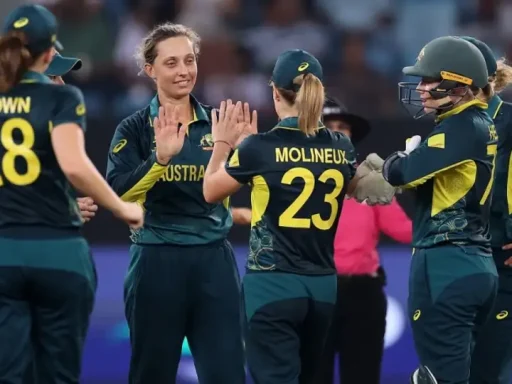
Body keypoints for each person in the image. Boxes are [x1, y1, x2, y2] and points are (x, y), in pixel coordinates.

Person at [201, 49, 396, 384]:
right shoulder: (341, 146)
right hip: (321, 288)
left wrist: (223, 143)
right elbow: (354, 185)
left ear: (275, 93)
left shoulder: (258, 148)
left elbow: (210, 192)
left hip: (272, 285)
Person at [0, 4, 143, 383]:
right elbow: (74, 165)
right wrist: (122, 207)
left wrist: (60, 201)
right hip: (57, 253)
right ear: (46, 55)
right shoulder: (61, 101)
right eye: (56, 71)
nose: (62, 82)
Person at [105, 23, 249, 384]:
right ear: (150, 70)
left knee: (227, 374)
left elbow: (253, 184)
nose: (184, 71)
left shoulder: (221, 124)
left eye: (189, 60)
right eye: (171, 63)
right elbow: (119, 195)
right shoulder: (134, 129)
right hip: (156, 261)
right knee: (151, 374)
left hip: (213, 261)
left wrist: (247, 154)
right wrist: (160, 159)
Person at [377, 36, 499, 384]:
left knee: (439, 377)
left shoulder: (461, 127)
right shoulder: (477, 124)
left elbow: (401, 172)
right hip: (474, 261)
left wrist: (399, 159)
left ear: (456, 84)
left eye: (429, 80)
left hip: (446, 264)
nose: (421, 88)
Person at [317, 98, 413, 384]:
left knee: (362, 376)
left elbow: (405, 231)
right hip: (314, 289)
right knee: (312, 376)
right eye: (328, 126)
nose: (336, 132)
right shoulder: (296, 179)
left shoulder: (369, 180)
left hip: (362, 294)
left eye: (342, 127)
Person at [459, 37, 512, 384]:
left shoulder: (508, 119)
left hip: (500, 257)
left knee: (486, 368)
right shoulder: (452, 122)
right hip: (458, 256)